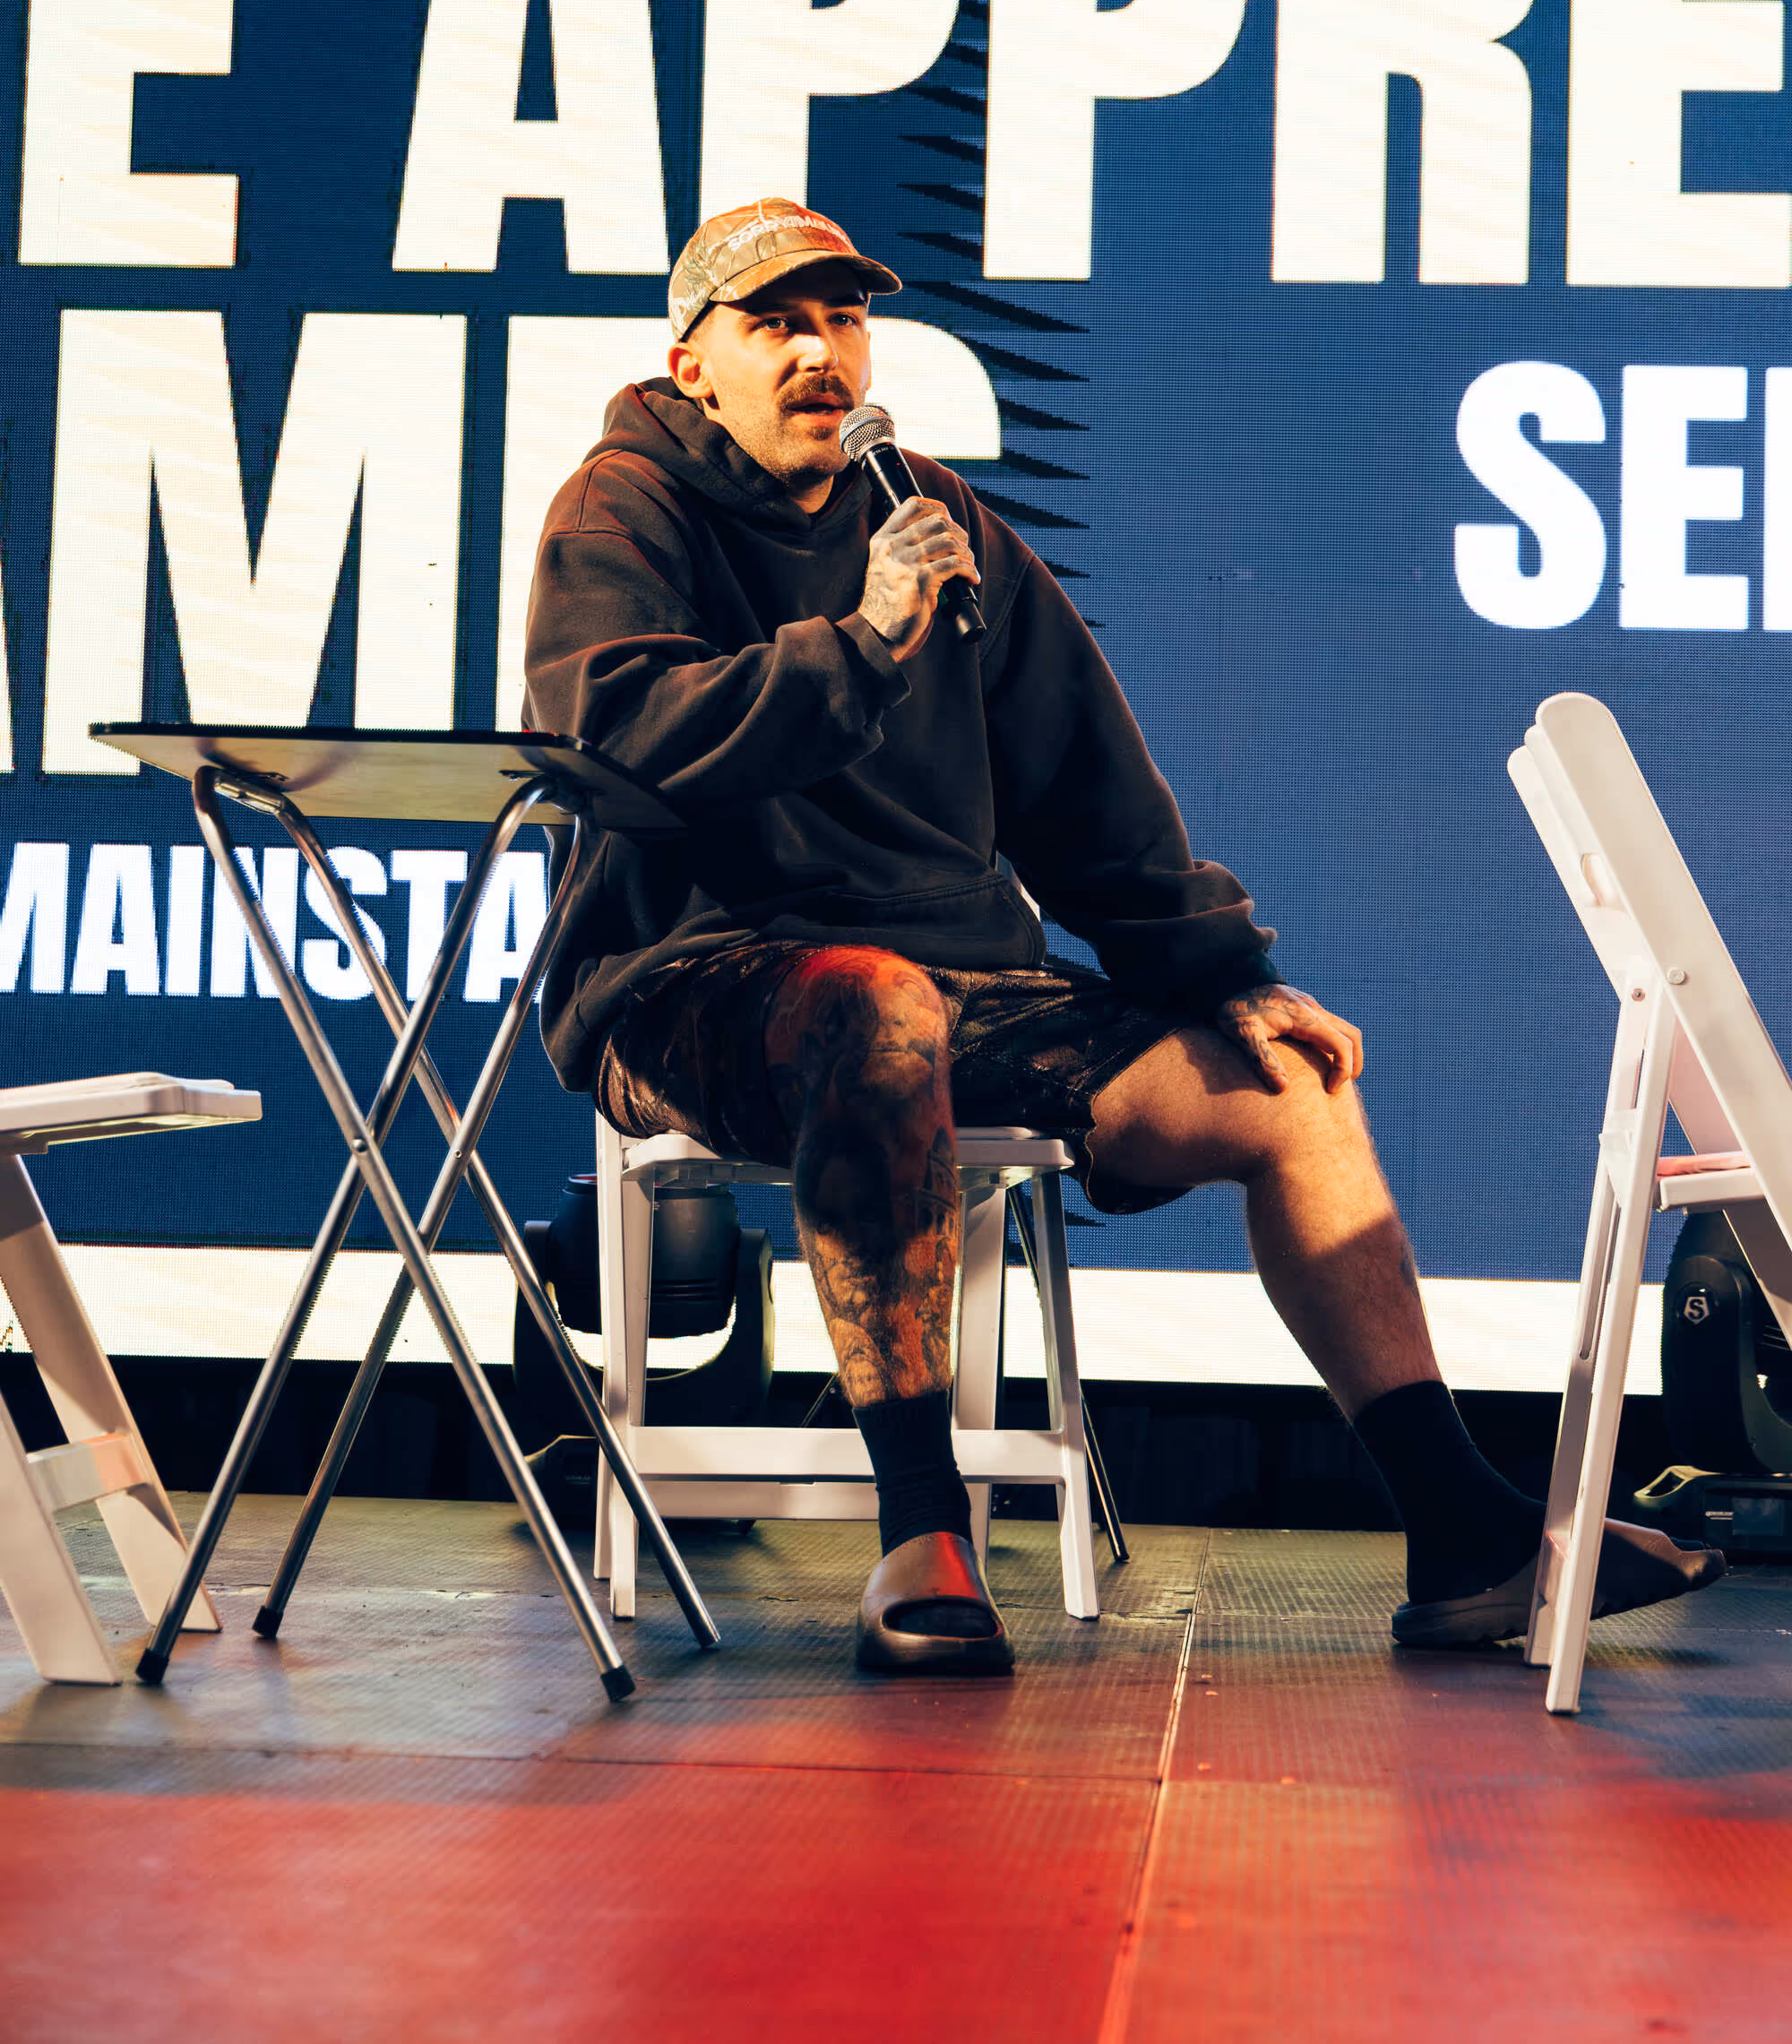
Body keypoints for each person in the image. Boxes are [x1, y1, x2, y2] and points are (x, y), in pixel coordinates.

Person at [524, 197, 1720, 1676]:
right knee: (877, 1006)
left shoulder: (932, 522)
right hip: (696, 974)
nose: (819, 352)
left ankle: (1464, 1526)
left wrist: (1224, 971)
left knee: (1290, 1088)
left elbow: (1087, 792)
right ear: (692, 363)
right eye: (775, 322)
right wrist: (862, 644)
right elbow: (620, 735)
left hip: (954, 979)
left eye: (842, 318)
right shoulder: (624, 507)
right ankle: (923, 1525)